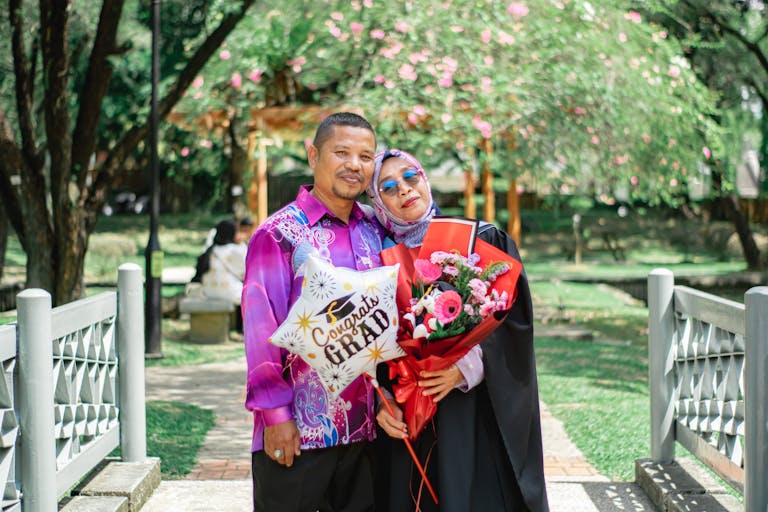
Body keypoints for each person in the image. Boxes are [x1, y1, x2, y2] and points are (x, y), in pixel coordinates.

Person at [369, 149, 549, 512]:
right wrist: (383, 399)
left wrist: (464, 368)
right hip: (409, 411)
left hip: (472, 409)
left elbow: (513, 322)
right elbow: (371, 341)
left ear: (425, 179)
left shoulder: (478, 239)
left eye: (411, 177)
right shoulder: (375, 259)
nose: (404, 189)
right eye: (388, 187)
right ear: (377, 202)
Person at [241, 112, 386, 511]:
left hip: (367, 433)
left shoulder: (375, 231)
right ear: (313, 155)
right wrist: (275, 416)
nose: (354, 165)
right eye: (341, 152)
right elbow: (260, 327)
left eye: (365, 156)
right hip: (300, 434)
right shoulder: (279, 233)